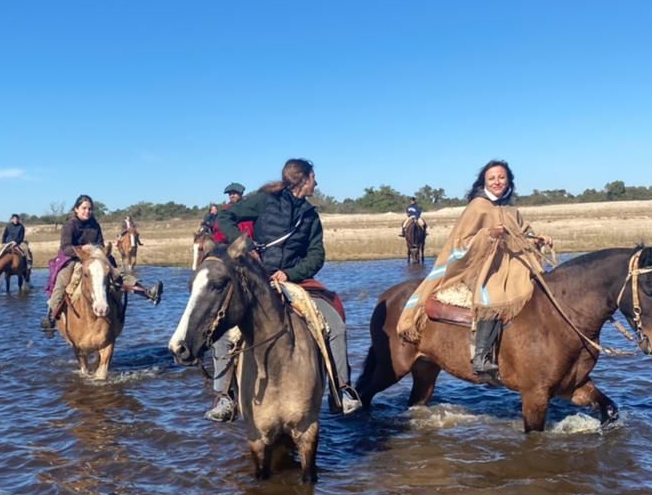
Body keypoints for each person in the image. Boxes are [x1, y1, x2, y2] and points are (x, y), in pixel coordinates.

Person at [209, 158, 360, 421]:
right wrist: (245, 245)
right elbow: (225, 216)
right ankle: (225, 397)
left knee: (334, 325)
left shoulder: (310, 216)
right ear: (304, 179)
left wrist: (290, 273)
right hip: (258, 280)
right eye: (314, 177)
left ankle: (341, 391)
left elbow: (317, 256)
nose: (317, 182)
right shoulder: (264, 200)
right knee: (223, 328)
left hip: (296, 282)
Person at [396, 160, 553, 378]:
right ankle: (481, 357)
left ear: (508, 180)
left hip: (508, 263)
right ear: (484, 182)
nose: (497, 182)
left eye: (501, 177)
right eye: (492, 178)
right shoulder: (477, 207)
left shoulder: (511, 209)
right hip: (480, 266)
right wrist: (488, 235)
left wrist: (538, 239)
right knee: (494, 292)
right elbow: (461, 243)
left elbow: (523, 234)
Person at [41, 196, 163, 334]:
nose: (87, 211)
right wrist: (82, 249)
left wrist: (96, 250)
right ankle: (51, 316)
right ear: (76, 209)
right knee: (62, 279)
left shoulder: (95, 225)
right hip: (75, 258)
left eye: (90, 209)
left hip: (96, 257)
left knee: (117, 273)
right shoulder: (69, 225)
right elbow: (66, 248)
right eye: (84, 208)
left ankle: (146, 292)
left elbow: (100, 243)